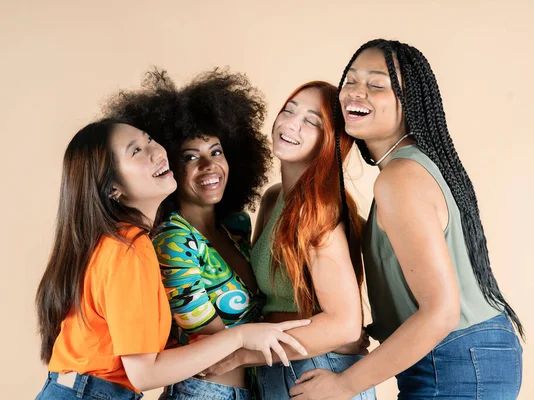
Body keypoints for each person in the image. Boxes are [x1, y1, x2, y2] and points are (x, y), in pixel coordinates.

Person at [290, 39, 524, 400]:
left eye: (376, 85)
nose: (355, 93)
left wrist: (343, 385)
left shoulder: (399, 178)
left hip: (456, 356)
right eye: (350, 81)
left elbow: (441, 313)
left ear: (409, 100)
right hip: (467, 354)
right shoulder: (410, 167)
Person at [35, 119, 309, 400]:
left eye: (150, 139)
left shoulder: (125, 241)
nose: (156, 152)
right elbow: (144, 374)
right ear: (113, 188)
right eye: (136, 151)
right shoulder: (128, 248)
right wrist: (240, 337)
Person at [106, 68, 272, 399]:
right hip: (204, 393)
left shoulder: (236, 227)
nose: (209, 166)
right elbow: (211, 345)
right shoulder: (172, 241)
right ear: (168, 165)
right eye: (190, 157)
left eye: (216, 151)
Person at [206, 81, 376, 400]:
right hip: (283, 368)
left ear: (331, 142)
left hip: (314, 372)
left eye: (312, 121)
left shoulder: (313, 214)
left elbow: (345, 326)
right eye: (289, 110)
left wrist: (244, 354)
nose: (291, 124)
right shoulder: (276, 198)